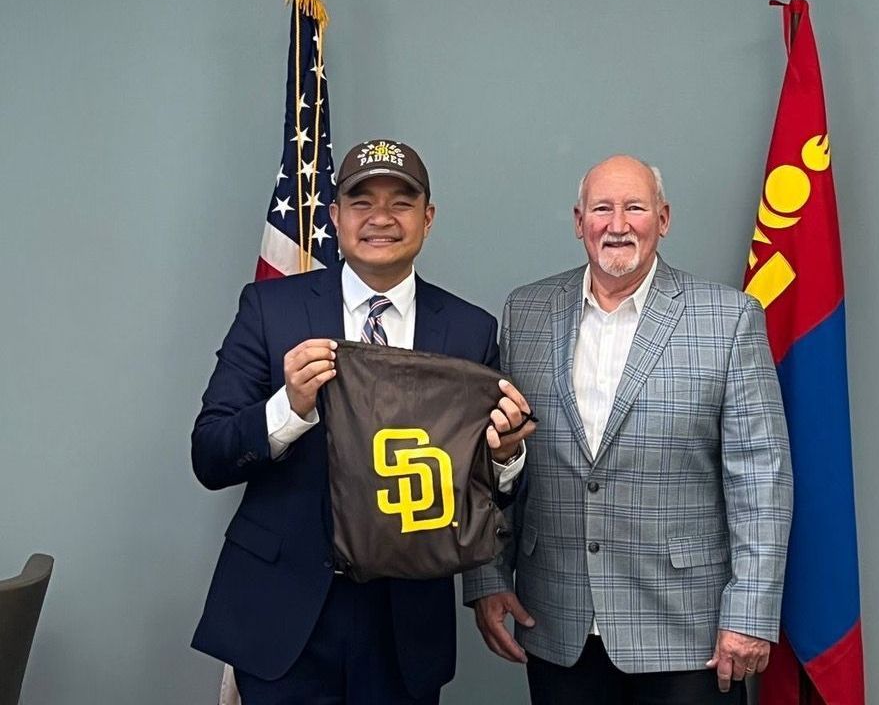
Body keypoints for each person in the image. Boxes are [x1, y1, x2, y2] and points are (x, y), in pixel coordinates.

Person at [191, 139, 535, 705]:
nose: (381, 218)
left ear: (428, 218)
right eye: (361, 201)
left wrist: (504, 457)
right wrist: (290, 408)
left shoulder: (470, 331)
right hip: (284, 615)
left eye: (401, 203)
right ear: (335, 217)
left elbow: (490, 489)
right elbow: (209, 454)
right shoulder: (269, 308)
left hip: (405, 624)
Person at [463, 155, 793, 704]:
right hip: (558, 619)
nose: (618, 225)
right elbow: (499, 457)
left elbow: (761, 478)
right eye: (602, 209)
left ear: (662, 218)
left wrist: (752, 612)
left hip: (689, 630)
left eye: (634, 208)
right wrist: (488, 577)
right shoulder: (526, 312)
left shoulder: (727, 318)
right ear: (578, 221)